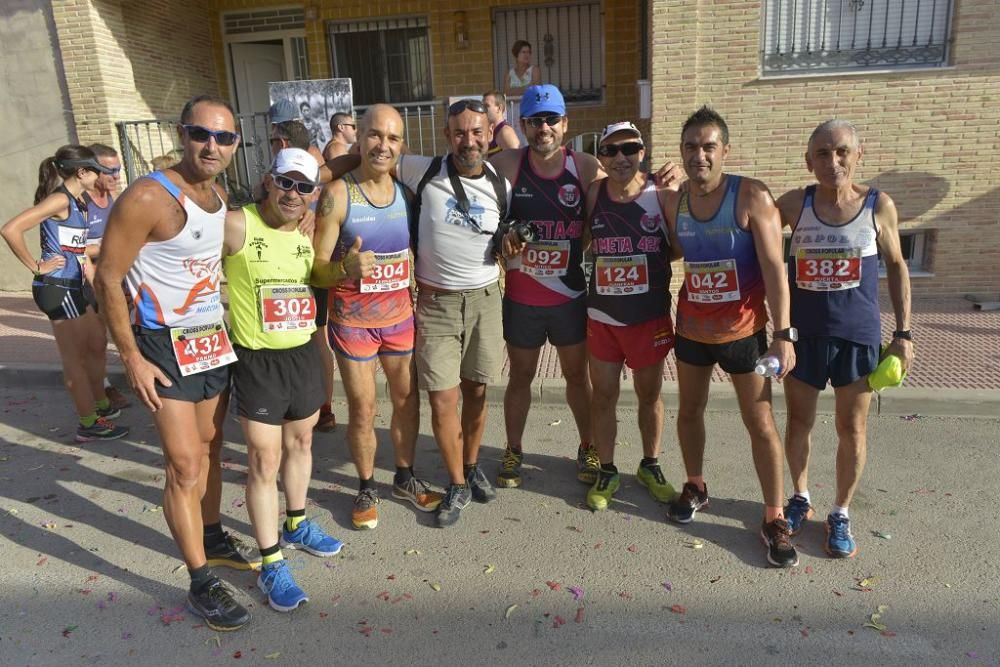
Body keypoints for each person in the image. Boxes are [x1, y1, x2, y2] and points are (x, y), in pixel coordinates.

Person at [95, 95, 259, 631]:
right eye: (200, 134)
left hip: (209, 339)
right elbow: (108, 279)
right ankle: (199, 581)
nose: (211, 145)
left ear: (235, 144)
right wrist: (133, 360)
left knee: (212, 450)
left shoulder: (217, 193)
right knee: (184, 464)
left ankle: (212, 535)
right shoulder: (146, 196)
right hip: (161, 344)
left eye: (224, 137)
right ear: (182, 133)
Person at [663, 106, 799, 568]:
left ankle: (774, 516)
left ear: (725, 150)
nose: (699, 155)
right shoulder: (676, 199)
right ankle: (696, 485)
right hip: (693, 330)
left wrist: (784, 335)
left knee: (759, 422)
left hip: (744, 333)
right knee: (689, 413)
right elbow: (679, 248)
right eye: (690, 147)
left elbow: (775, 269)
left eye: (708, 146)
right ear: (681, 152)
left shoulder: (751, 197)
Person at [778, 119, 913, 559]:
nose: (832, 161)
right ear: (808, 160)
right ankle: (799, 497)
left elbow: (896, 266)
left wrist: (903, 334)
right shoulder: (795, 204)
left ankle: (840, 511)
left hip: (857, 338)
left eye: (840, 152)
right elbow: (749, 224)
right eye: (822, 153)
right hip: (804, 337)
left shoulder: (879, 205)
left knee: (851, 427)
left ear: (858, 155)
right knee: (799, 423)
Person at [223, 147, 343, 612]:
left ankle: (296, 522)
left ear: (313, 195)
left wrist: (343, 267)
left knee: (302, 445)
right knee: (262, 460)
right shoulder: (236, 224)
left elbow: (319, 273)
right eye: (286, 182)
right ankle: (271, 560)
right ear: (269, 181)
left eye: (304, 187)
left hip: (302, 355)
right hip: (257, 361)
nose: (294, 194)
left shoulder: (307, 234)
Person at [313, 104, 441, 530]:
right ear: (359, 138)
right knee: (363, 408)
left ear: (401, 145)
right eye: (374, 135)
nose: (382, 145)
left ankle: (404, 477)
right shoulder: (338, 196)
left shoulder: (407, 195)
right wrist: (343, 269)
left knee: (407, 400)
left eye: (392, 138)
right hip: (352, 322)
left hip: (399, 318)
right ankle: (366, 485)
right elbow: (315, 267)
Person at [394, 98, 509, 527]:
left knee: (477, 392)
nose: (469, 141)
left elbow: (503, 242)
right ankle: (458, 483)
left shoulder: (501, 184)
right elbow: (373, 159)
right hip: (436, 304)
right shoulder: (423, 170)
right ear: (447, 136)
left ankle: (473, 461)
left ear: (489, 134)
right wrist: (321, 174)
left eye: (477, 131)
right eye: (459, 132)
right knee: (443, 397)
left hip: (484, 300)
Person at [488, 84, 598, 488]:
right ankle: (513, 448)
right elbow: (483, 211)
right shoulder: (505, 164)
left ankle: (587, 446)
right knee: (520, 377)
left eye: (551, 120)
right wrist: (503, 238)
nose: (544, 129)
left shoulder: (584, 167)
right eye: (535, 121)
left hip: (569, 297)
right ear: (524, 125)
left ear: (565, 124)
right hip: (522, 298)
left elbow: (622, 196)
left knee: (576, 377)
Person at [582, 122, 679, 511]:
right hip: (603, 315)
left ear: (642, 151)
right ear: (602, 157)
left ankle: (650, 464)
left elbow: (678, 247)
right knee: (603, 396)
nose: (621, 157)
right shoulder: (594, 193)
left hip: (648, 316)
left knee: (649, 395)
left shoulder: (663, 195)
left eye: (630, 148)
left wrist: (646, 259)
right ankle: (607, 470)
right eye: (611, 150)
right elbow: (584, 241)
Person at [1, 145, 128, 442]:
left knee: (97, 342)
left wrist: (96, 282)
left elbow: (79, 252)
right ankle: (88, 423)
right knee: (75, 358)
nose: (103, 174)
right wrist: (36, 266)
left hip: (74, 286)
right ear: (82, 172)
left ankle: (101, 405)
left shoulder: (79, 201)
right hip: (56, 288)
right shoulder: (59, 199)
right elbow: (11, 229)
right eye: (97, 169)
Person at [269, 119, 338, 431]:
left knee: (308, 336)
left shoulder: (279, 177)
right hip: (302, 263)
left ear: (282, 144)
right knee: (315, 336)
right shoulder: (318, 170)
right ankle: (322, 408)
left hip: (298, 265)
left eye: (272, 140)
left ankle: (309, 407)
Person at [82, 143, 131, 411]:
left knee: (124, 330)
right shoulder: (80, 202)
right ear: (92, 170)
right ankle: (102, 389)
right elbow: (72, 248)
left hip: (115, 276)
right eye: (109, 170)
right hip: (86, 280)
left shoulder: (112, 197)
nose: (115, 176)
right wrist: (104, 247)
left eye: (118, 169)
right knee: (97, 340)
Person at [483, 91, 521, 155]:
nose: (483, 109)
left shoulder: (505, 132)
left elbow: (516, 161)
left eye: (486, 106)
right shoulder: (490, 130)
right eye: (482, 106)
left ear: (499, 108)